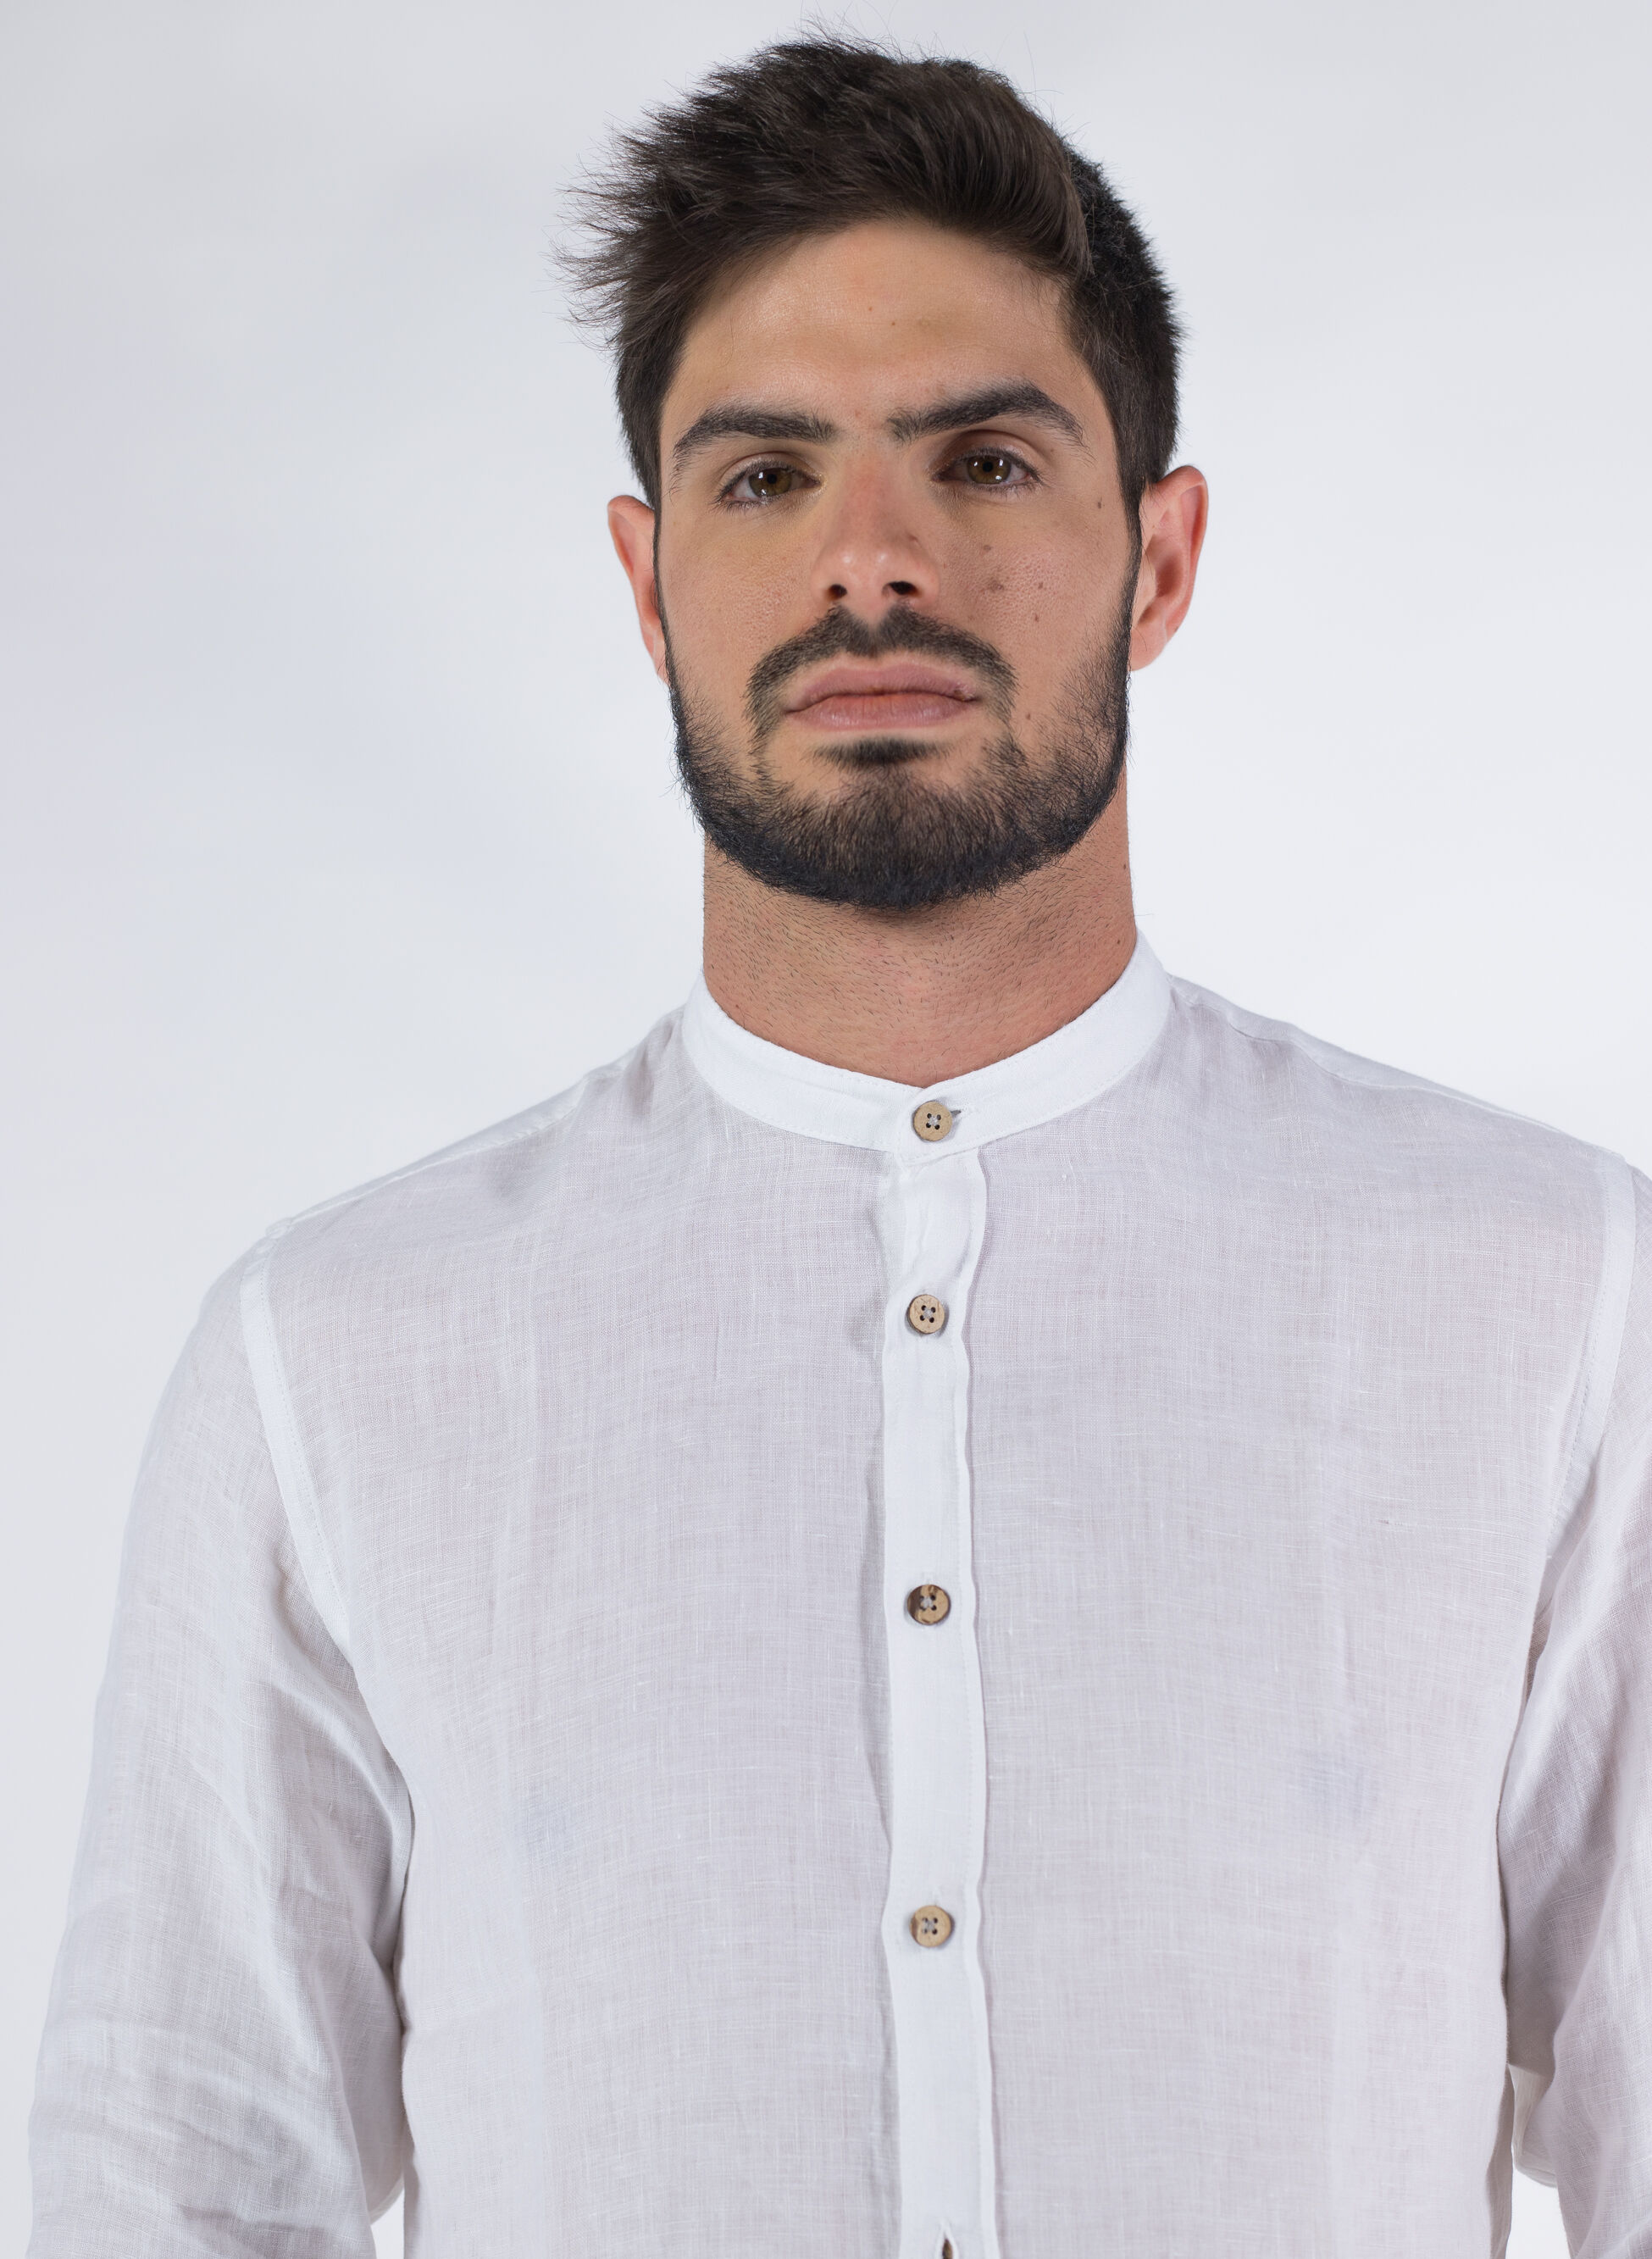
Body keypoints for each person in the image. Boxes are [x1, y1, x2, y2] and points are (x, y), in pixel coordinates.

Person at [27, 34, 1651, 2259]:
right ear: (647, 580)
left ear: (1159, 558)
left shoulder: (1546, 1295)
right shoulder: (333, 1359)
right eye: (767, 477)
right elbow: (178, 2187)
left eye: (983, 461)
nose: (871, 565)